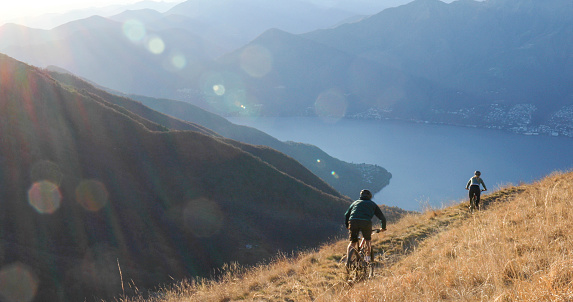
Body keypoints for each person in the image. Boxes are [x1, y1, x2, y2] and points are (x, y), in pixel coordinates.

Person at [344, 189, 386, 264]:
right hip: (366, 222)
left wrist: (347, 225)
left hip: (353, 221)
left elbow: (346, 214)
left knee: (352, 242)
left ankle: (348, 261)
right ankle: (367, 260)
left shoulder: (355, 202)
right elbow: (382, 217)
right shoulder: (372, 204)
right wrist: (383, 227)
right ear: (370, 196)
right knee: (367, 241)